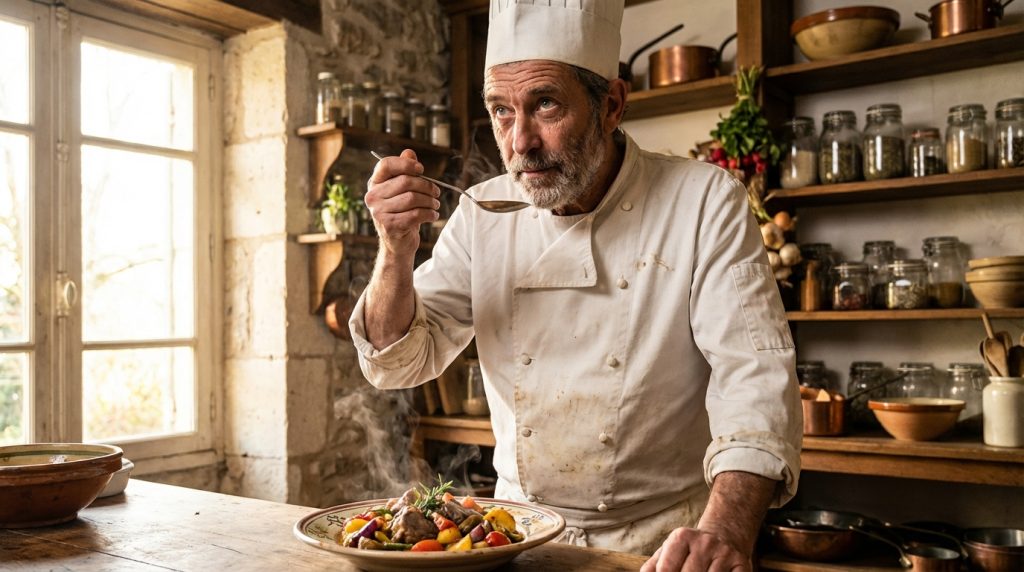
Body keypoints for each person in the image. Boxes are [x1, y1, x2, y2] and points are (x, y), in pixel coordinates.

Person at [349, 0, 801, 569]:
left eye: (545, 104)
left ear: (610, 105)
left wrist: (727, 528)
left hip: (664, 545)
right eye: (502, 112)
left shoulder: (704, 200)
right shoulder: (481, 212)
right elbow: (397, 362)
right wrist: (395, 250)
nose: (520, 143)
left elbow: (753, 374)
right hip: (516, 537)